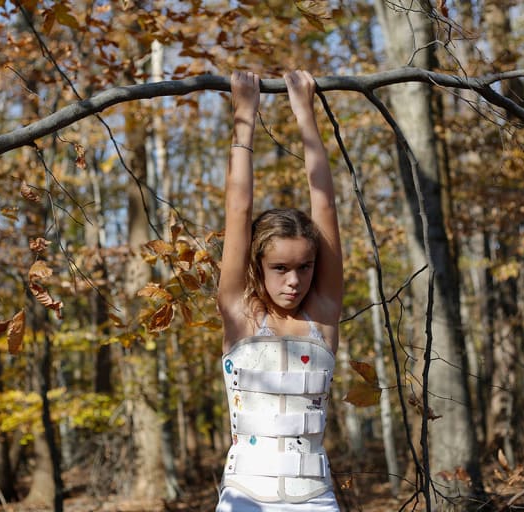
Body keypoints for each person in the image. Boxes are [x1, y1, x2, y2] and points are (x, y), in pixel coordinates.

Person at [215, 69, 343, 512]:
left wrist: (304, 110)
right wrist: (244, 113)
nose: (294, 280)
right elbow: (239, 206)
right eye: (280, 268)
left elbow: (323, 202)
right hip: (245, 497)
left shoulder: (322, 315)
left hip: (314, 499)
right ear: (257, 265)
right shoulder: (240, 313)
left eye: (305, 267)